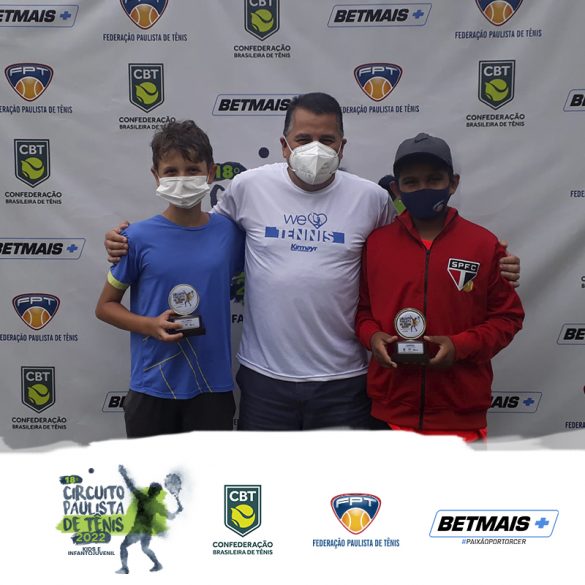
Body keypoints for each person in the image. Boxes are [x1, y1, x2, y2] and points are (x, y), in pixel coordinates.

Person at [104, 93, 520, 431]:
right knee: (268, 491)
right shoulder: (248, 187)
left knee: (335, 491)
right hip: (265, 379)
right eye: (303, 139)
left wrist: (488, 257)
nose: (315, 148)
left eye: (327, 139)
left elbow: (415, 247)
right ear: (284, 144)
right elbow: (196, 234)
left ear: (343, 146)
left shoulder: (371, 199)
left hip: (344, 380)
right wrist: (127, 241)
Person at [355, 132, 525, 441]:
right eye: (411, 182)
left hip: (460, 417)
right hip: (390, 414)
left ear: (453, 183)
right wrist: (372, 337)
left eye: (434, 179)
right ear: (396, 189)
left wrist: (460, 346)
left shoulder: (483, 244)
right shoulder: (376, 244)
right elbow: (363, 311)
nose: (423, 188)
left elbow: (507, 318)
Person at [95, 120, 244, 438]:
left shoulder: (230, 233)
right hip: (152, 388)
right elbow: (105, 306)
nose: (182, 179)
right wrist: (150, 325)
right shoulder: (135, 238)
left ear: (210, 172)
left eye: (192, 170)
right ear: (156, 176)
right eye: (171, 171)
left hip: (212, 388)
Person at [116, 465, 183, 574]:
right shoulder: (157, 505)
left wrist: (123, 474)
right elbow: (170, 517)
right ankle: (157, 564)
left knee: (123, 546)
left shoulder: (142, 498)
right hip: (147, 532)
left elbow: (130, 486)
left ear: (154, 492)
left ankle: (125, 568)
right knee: (145, 548)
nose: (150, 490)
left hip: (138, 530)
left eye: (152, 489)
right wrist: (177, 511)